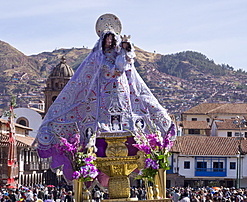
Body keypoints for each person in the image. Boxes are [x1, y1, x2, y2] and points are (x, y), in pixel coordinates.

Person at [35, 14, 175, 182]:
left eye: (111, 39)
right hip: (102, 95)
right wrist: (112, 70)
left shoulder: (120, 54)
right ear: (102, 40)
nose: (109, 42)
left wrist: (125, 51)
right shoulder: (96, 58)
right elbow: (100, 72)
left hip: (120, 91)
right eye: (107, 39)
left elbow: (125, 68)